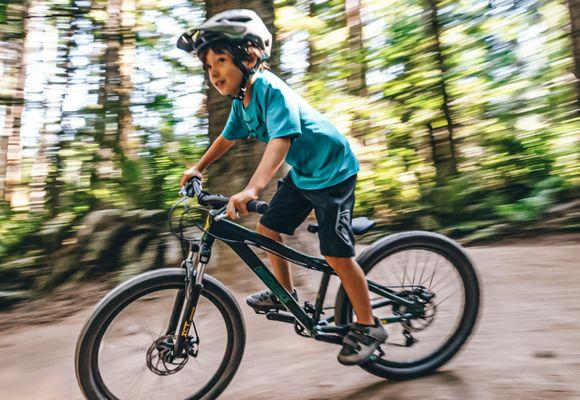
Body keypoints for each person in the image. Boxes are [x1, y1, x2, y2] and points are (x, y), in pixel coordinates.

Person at [177, 9, 386, 365]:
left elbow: (282, 140)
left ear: (249, 55)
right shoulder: (241, 101)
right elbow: (226, 138)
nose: (213, 73)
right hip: (306, 175)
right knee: (268, 228)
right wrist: (199, 167)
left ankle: (368, 325)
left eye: (221, 61)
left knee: (335, 254)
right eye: (208, 67)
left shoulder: (270, 90)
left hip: (334, 171)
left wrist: (253, 189)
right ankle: (284, 292)